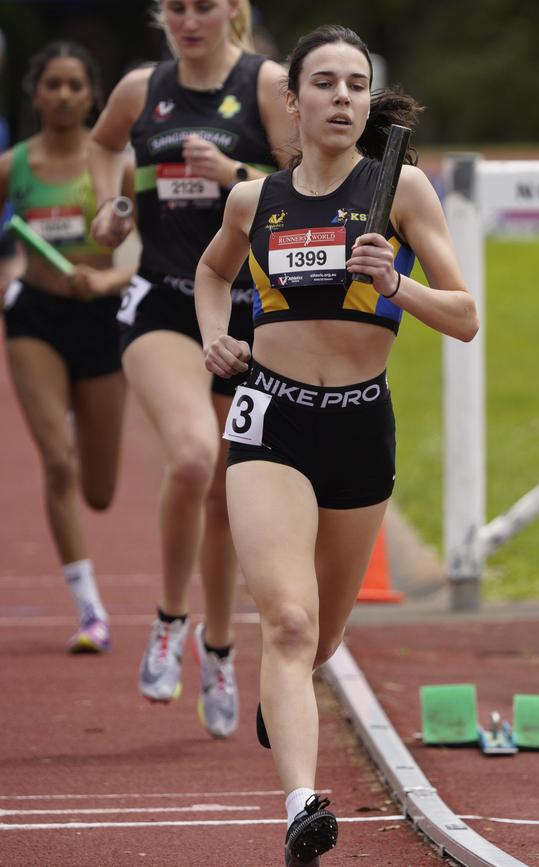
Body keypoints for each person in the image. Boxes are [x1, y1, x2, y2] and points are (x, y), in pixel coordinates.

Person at [194, 23, 479, 866]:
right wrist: (216, 334)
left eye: (357, 85)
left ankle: (286, 695)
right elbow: (214, 272)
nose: (343, 98)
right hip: (271, 419)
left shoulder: (402, 192)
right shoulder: (254, 203)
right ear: (293, 100)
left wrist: (400, 284)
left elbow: (466, 317)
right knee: (285, 621)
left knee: (319, 639)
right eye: (325, 83)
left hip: (361, 425)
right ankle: (301, 806)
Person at [88, 0, 292, 738]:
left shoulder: (267, 84)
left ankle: (220, 646)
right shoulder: (142, 88)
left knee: (227, 495)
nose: (188, 20)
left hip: (252, 315)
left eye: (203, 6)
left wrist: (234, 171)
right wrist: (111, 205)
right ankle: (170, 622)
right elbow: (105, 145)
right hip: (163, 304)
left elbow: (309, 186)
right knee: (194, 458)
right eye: (175, 7)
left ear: (232, 10)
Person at [0, 41, 135, 654]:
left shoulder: (113, 166)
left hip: (103, 318)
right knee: (58, 462)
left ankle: (82, 412)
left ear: (91, 96)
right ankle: (89, 612)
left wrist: (107, 279)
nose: (61, 95)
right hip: (36, 319)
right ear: (36, 95)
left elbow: (149, 253)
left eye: (73, 85)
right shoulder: (12, 166)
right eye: (50, 84)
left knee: (99, 490)